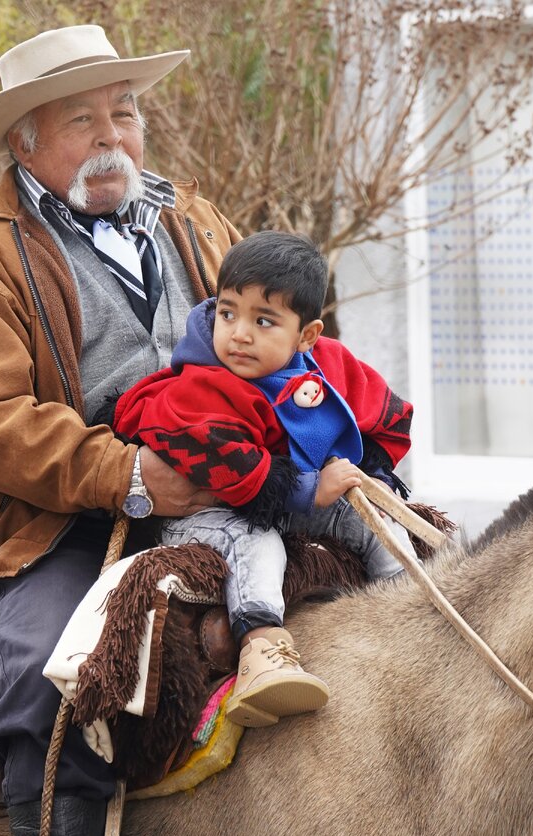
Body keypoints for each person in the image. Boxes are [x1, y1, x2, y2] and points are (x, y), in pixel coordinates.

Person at [0, 24, 240, 836]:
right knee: (52, 683)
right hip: (50, 524)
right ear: (23, 143)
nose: (111, 137)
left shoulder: (194, 223)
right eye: (80, 121)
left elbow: (277, 341)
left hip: (228, 489)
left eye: (124, 111)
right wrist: (126, 473)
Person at [113, 231, 414, 727]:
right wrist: (308, 489)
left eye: (264, 320)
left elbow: (389, 412)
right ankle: (261, 649)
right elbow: (223, 461)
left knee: (374, 520)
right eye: (228, 313)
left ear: (307, 335)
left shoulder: (327, 364)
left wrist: (367, 472)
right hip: (203, 512)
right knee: (257, 541)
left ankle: (410, 606)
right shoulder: (203, 383)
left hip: (292, 496)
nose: (240, 334)